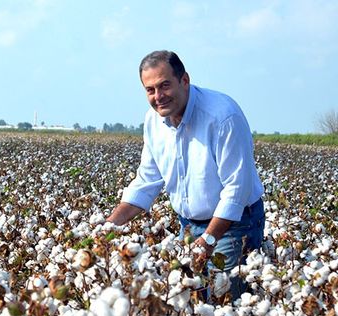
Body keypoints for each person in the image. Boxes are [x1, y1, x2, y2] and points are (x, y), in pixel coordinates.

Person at [107, 50, 265, 299]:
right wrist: (107, 228)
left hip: (234, 226)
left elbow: (236, 190)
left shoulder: (223, 117)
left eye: (164, 85)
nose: (158, 96)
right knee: (192, 303)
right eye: (150, 90)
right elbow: (146, 182)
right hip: (189, 227)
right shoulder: (153, 121)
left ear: (185, 80)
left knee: (227, 308)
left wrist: (208, 241)